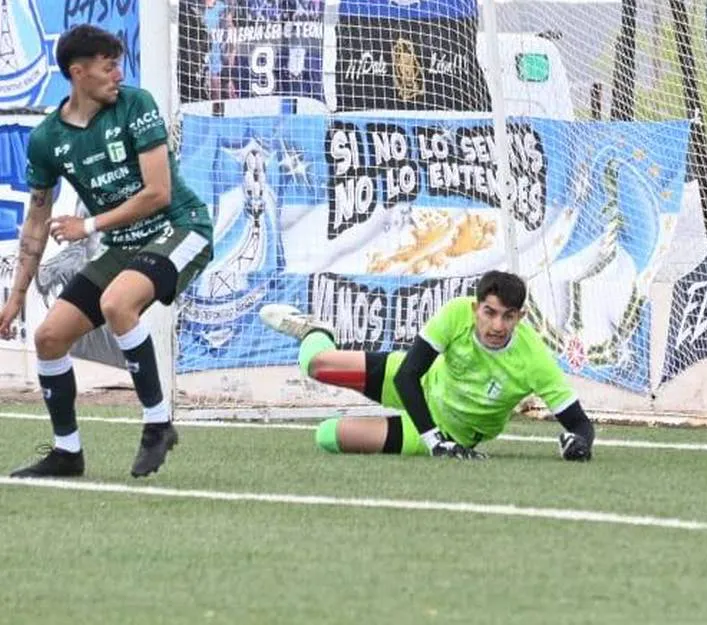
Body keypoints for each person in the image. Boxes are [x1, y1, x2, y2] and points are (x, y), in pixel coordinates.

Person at [0, 25, 214, 478]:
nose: (118, 73)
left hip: (180, 228)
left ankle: (158, 424)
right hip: (124, 245)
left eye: (118, 63)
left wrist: (88, 226)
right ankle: (67, 452)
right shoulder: (47, 140)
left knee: (117, 302)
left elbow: (157, 192)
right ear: (78, 74)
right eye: (107, 65)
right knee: (49, 337)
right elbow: (37, 219)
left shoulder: (137, 105)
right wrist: (17, 295)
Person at [259, 271, 595, 460]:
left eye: (508, 316)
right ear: (476, 308)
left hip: (451, 431)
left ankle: (411, 431)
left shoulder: (534, 358)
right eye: (490, 313)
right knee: (317, 364)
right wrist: (434, 441)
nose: (497, 326)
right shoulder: (456, 313)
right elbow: (408, 374)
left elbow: (580, 424)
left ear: (520, 317)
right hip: (416, 391)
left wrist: (578, 445)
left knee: (328, 436)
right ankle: (315, 330)